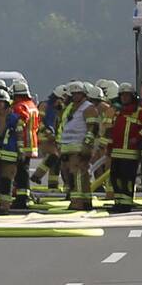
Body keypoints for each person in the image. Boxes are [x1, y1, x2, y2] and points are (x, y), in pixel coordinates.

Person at [106, 83, 142, 213]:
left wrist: (138, 138)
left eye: (127, 95)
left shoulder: (139, 112)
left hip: (130, 153)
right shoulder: (118, 112)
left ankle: (126, 204)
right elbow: (113, 131)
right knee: (115, 178)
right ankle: (118, 202)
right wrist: (109, 146)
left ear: (132, 97)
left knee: (127, 179)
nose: (124, 98)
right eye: (122, 95)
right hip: (116, 152)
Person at [58, 82, 100, 211]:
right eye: (74, 94)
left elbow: (93, 128)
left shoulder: (88, 108)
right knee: (75, 175)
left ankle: (78, 202)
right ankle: (86, 201)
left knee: (77, 176)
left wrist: (87, 146)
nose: (76, 96)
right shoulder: (70, 107)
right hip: (68, 147)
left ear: (83, 94)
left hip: (79, 147)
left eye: (78, 94)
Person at [0, 89, 20, 214]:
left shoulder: (15, 119)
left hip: (10, 153)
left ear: (6, 103)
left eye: (1, 102)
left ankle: (4, 207)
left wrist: (21, 151)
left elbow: (20, 135)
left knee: (7, 181)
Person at [31, 84, 67, 192]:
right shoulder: (44, 106)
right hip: (43, 136)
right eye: (62, 99)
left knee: (56, 162)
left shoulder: (58, 109)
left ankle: (52, 186)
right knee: (54, 156)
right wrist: (47, 132)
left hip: (55, 137)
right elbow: (39, 121)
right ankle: (37, 175)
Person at [11, 80, 40, 210]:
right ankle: (24, 195)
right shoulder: (32, 105)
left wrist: (18, 146)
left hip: (22, 143)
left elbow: (19, 126)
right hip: (31, 142)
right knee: (24, 170)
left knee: (21, 172)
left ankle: (22, 198)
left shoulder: (20, 106)